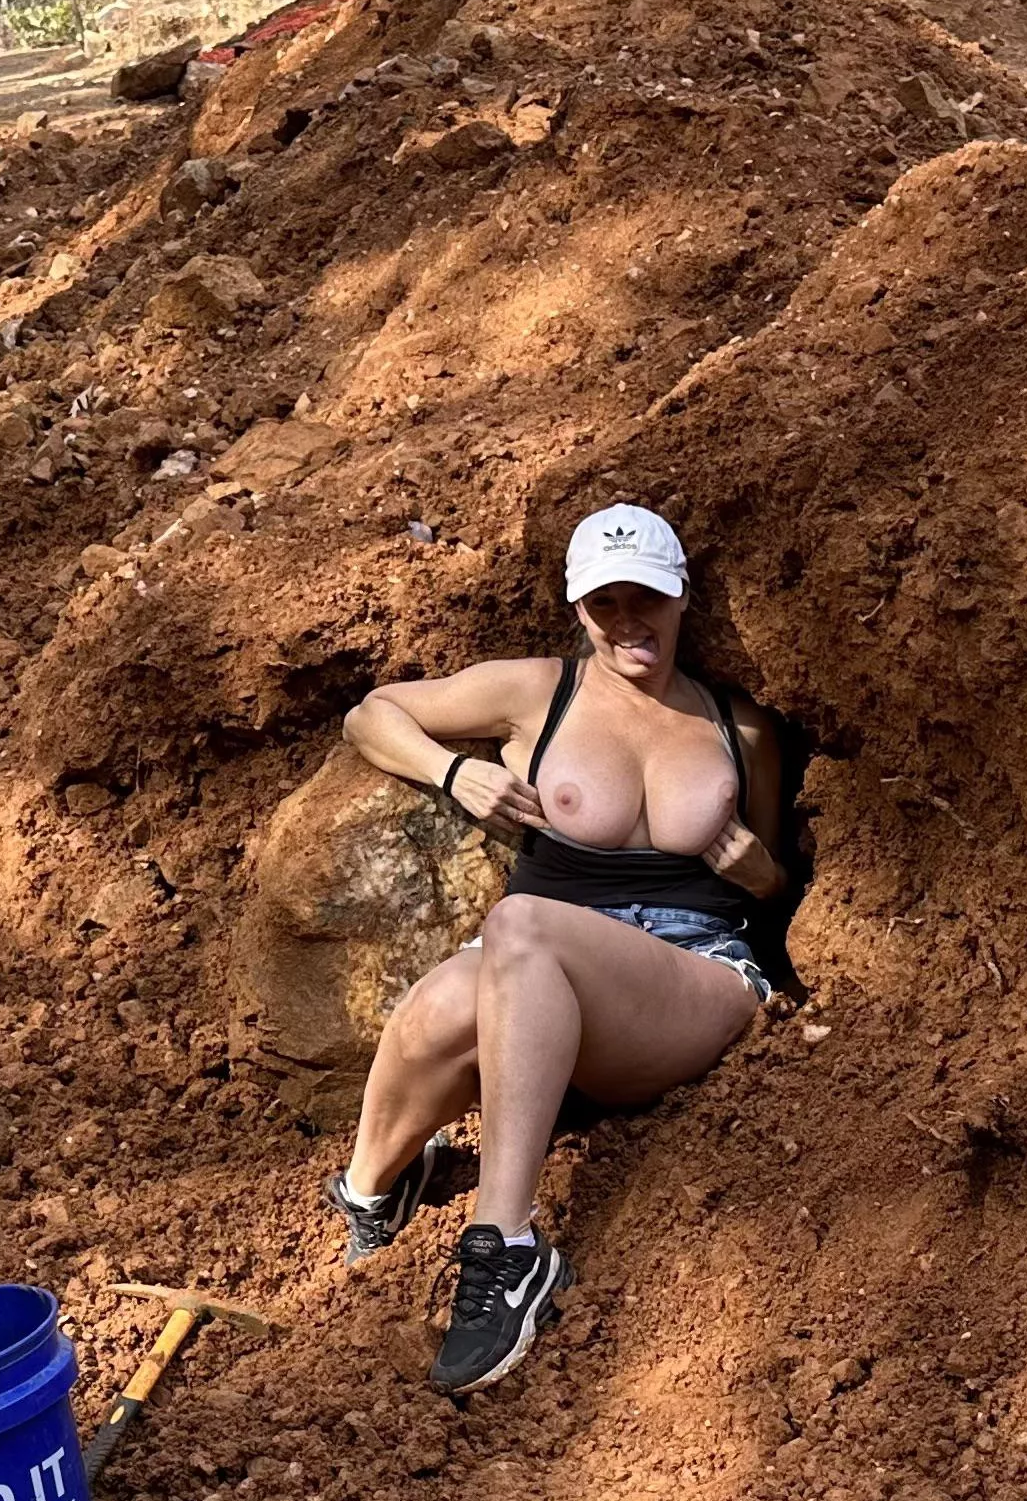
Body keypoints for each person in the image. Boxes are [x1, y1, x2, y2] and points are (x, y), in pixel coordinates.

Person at [326, 504, 793, 1393]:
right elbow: (370, 716)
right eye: (602, 603)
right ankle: (372, 1189)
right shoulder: (538, 692)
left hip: (691, 972)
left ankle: (506, 1246)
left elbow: (779, 901)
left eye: (644, 598)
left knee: (520, 924)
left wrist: (761, 871)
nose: (626, 621)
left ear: (681, 596)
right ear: (578, 609)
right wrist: (456, 772)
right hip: (540, 972)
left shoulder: (743, 731)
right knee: (442, 1005)